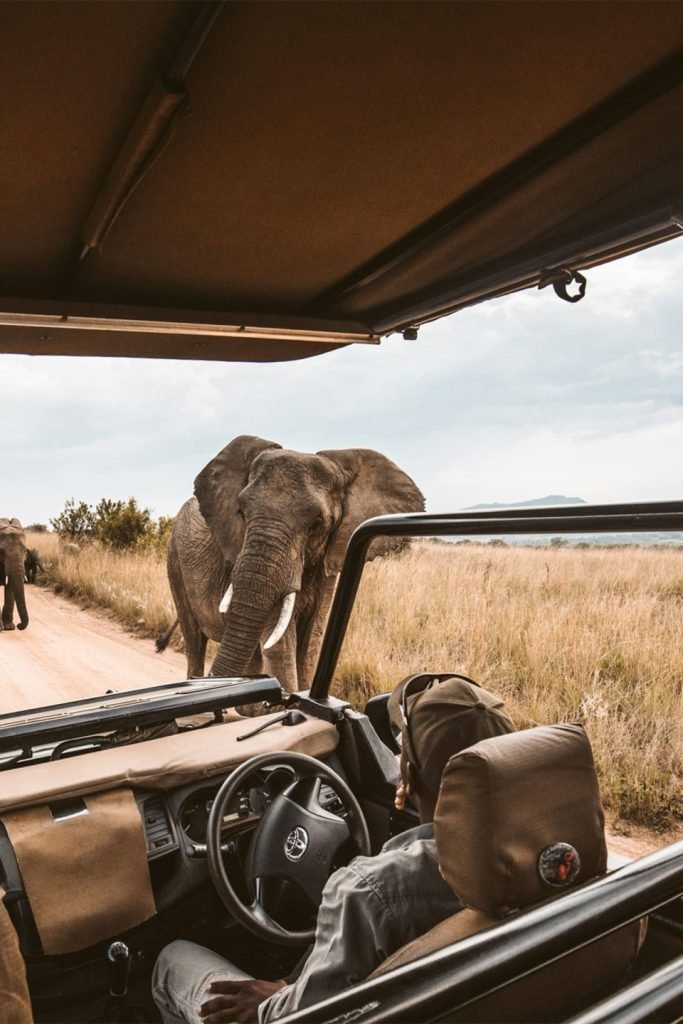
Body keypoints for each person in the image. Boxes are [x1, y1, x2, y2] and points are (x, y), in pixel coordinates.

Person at [153, 675, 516, 1024]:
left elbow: (300, 1017)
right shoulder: (547, 855)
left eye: (403, 747)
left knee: (171, 959)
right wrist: (288, 986)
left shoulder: (369, 891)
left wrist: (269, 1006)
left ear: (407, 775)